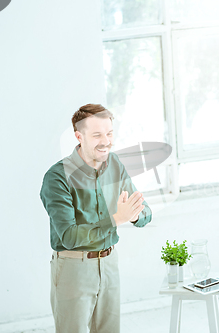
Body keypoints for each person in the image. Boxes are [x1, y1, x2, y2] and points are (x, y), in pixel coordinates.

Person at [39, 103, 152, 333]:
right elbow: (69, 236)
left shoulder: (115, 165)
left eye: (109, 133)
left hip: (110, 263)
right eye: (97, 134)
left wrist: (133, 215)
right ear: (79, 136)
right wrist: (116, 219)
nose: (106, 141)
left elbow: (145, 212)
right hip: (74, 267)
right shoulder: (57, 177)